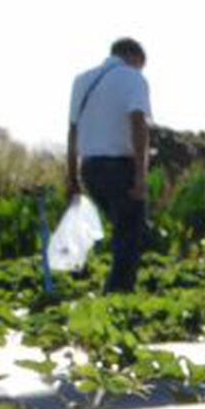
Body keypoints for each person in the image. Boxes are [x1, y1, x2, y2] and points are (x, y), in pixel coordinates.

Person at [66, 38, 152, 293]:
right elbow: (139, 123)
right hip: (119, 168)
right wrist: (140, 175)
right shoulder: (133, 78)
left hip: (90, 169)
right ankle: (117, 298)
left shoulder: (83, 80)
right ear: (134, 57)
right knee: (129, 235)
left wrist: (72, 178)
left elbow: (72, 131)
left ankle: (114, 289)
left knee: (123, 230)